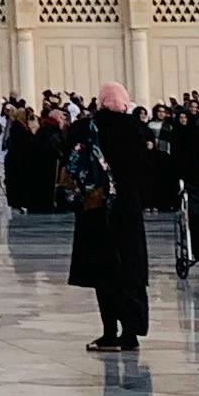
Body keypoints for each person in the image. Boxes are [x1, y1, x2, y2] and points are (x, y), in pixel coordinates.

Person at [65, 116, 144, 352]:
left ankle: (110, 332)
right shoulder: (133, 127)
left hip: (96, 208)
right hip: (128, 210)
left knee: (103, 274)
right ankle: (131, 333)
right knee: (130, 272)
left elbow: (71, 161)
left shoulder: (89, 127)